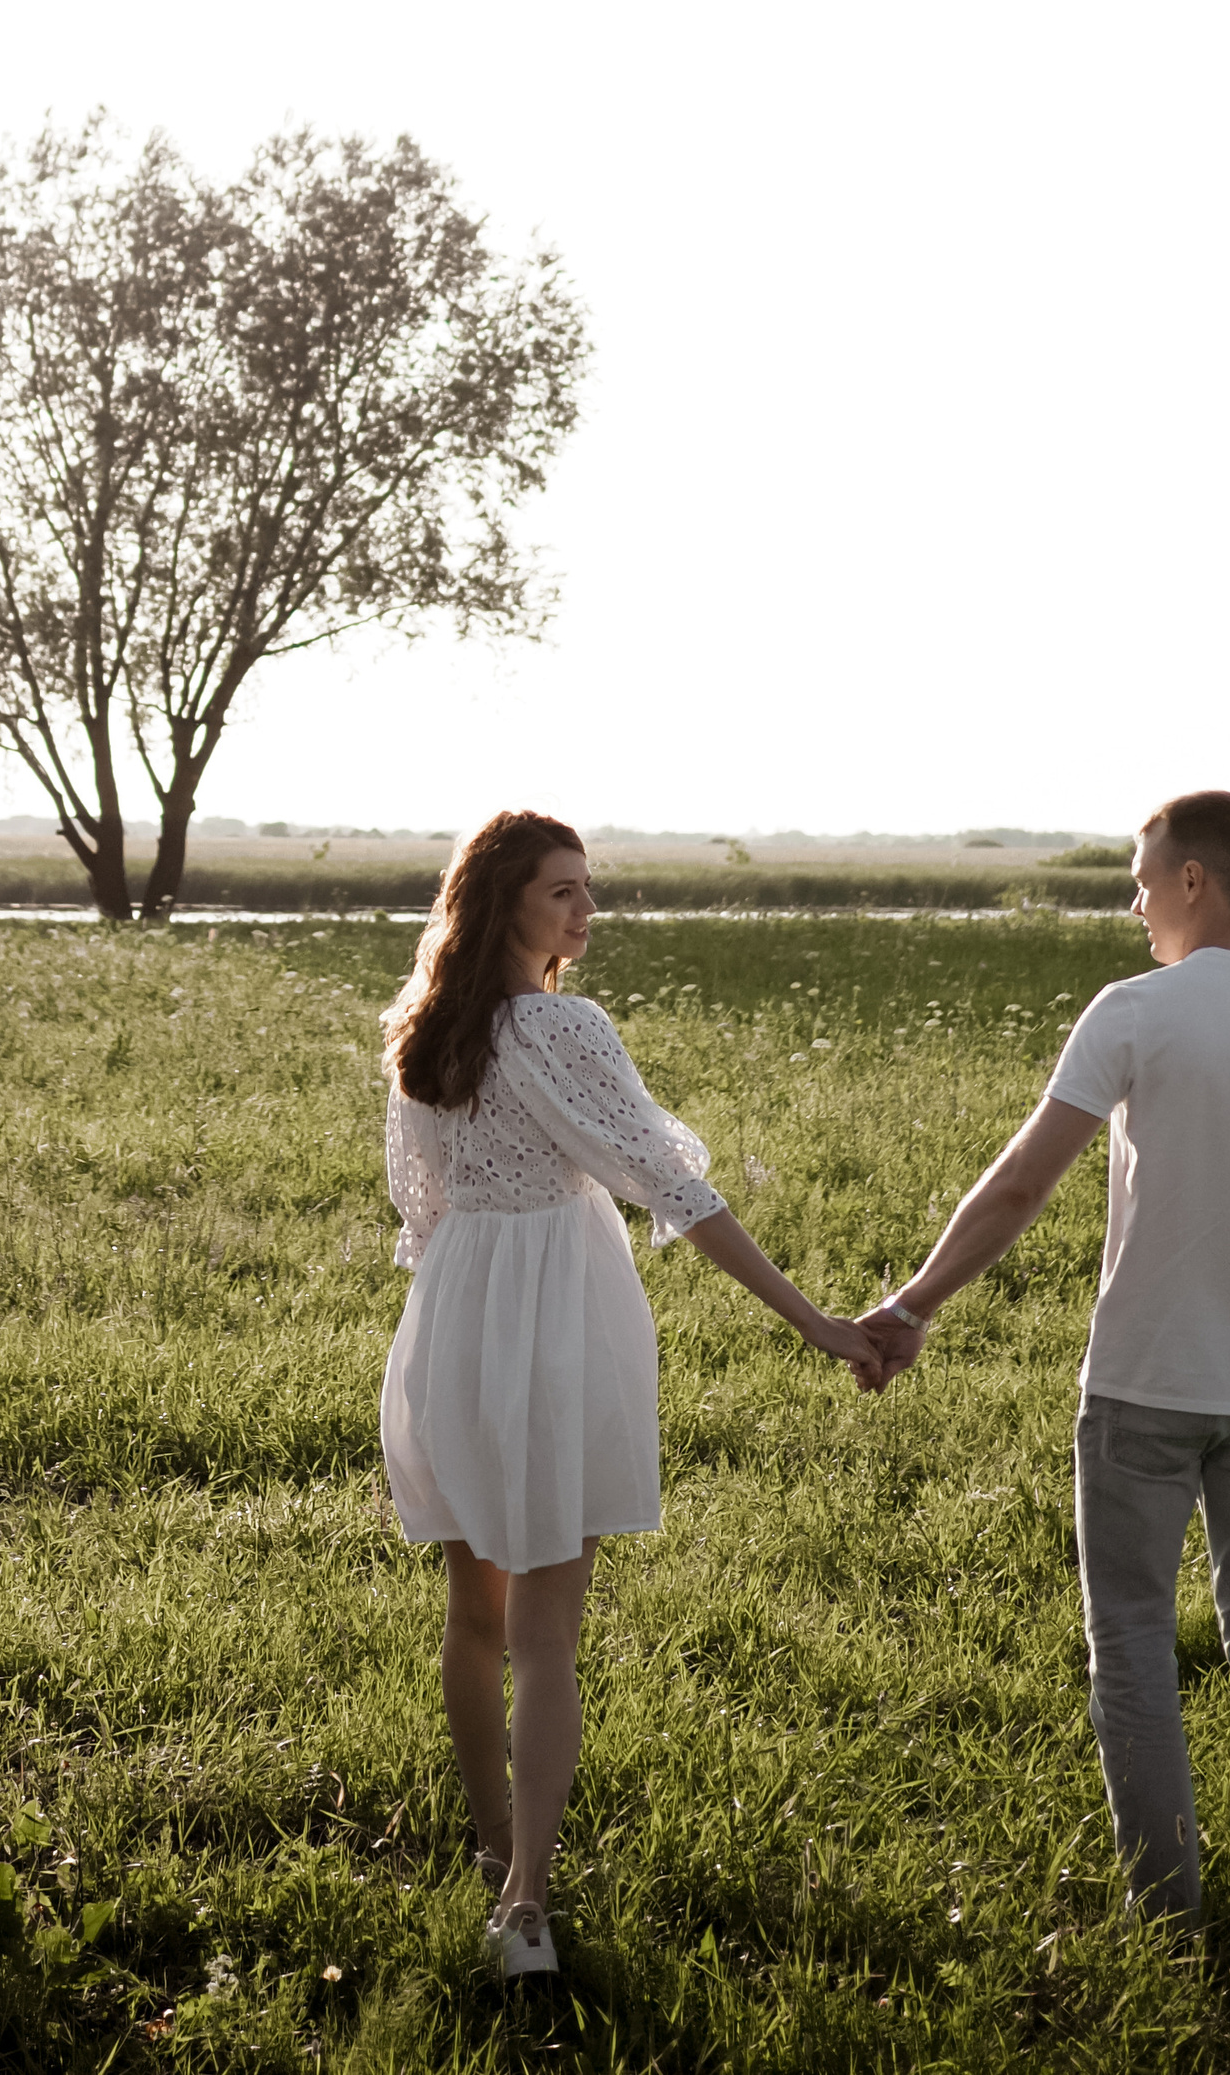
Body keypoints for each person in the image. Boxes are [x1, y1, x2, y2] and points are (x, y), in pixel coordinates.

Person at [857, 791, 1230, 1976]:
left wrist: (911, 1304)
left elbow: (1017, 1182)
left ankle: (1168, 1928)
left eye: (1144, 877)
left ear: (1198, 879)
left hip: (1146, 1386)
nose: (1135, 900)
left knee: (1134, 1647)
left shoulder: (1135, 1012)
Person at [380, 809, 879, 1978]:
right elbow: (671, 1188)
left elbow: (425, 1210)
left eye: (586, 889)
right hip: (555, 1313)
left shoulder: (423, 1027)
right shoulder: (560, 1025)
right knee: (544, 1626)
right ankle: (523, 1901)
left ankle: (497, 1848)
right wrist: (812, 1318)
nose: (584, 911)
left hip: (454, 1312)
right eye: (562, 891)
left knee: (477, 1610)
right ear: (503, 901)